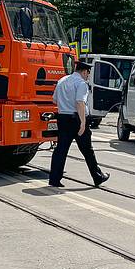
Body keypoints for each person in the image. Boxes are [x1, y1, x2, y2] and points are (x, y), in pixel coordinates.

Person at [48, 59, 109, 188]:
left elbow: (54, 100)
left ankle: (54, 179)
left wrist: (64, 105)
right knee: (87, 150)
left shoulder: (62, 81)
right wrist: (82, 123)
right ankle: (97, 177)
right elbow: (80, 103)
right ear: (84, 71)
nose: (88, 76)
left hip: (63, 118)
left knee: (61, 149)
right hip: (76, 120)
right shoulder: (81, 83)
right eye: (88, 73)